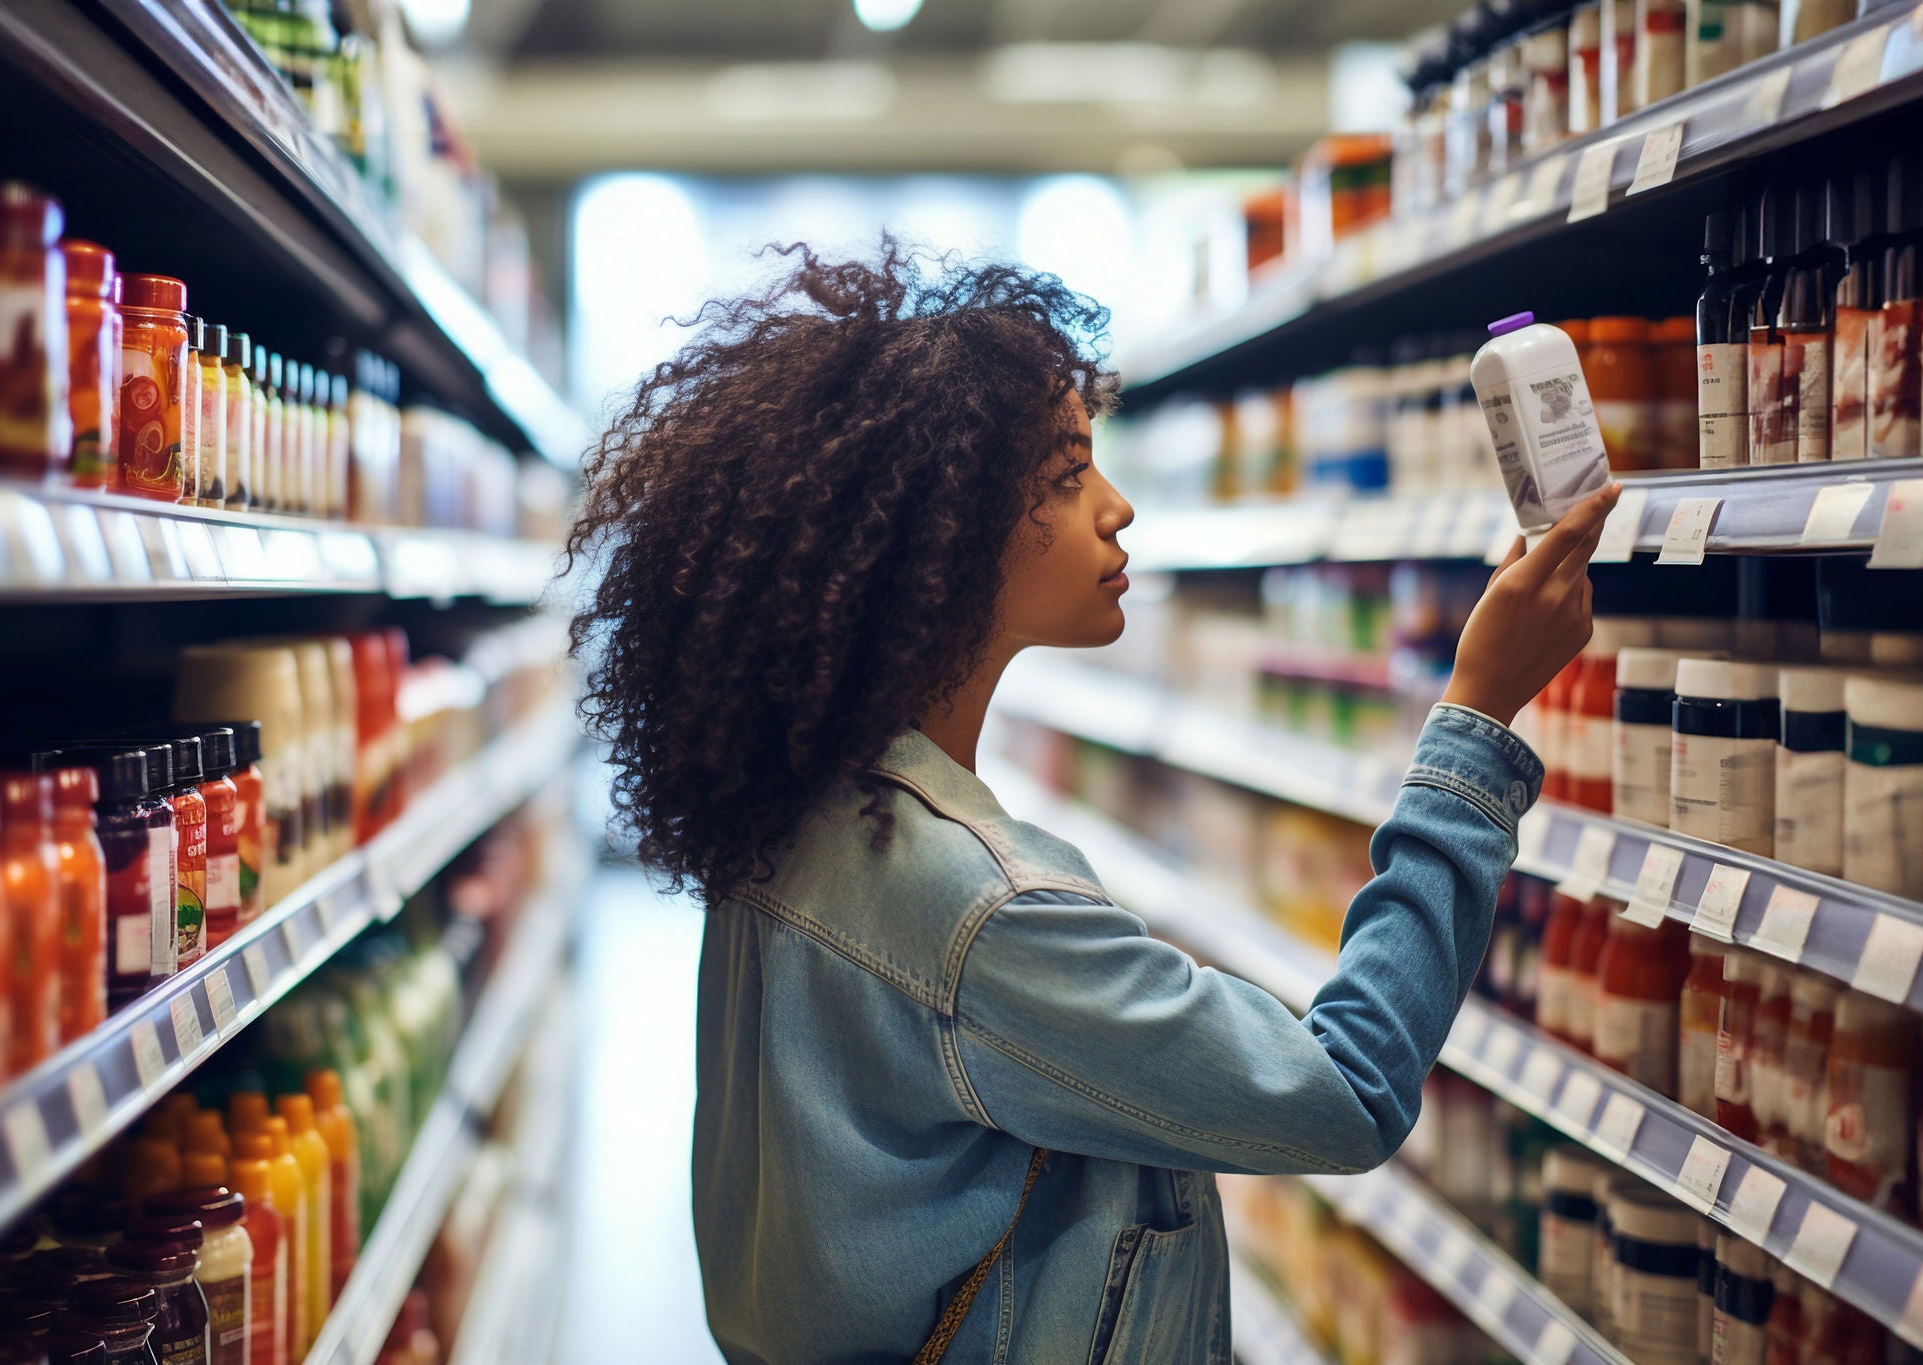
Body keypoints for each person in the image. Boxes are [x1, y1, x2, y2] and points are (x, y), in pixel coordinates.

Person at [568, 242, 1618, 1364]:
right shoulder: (975, 915)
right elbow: (1345, 1093)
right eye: (1067, 476)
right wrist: (1476, 719)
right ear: (946, 536)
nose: (1115, 509)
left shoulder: (793, 818)